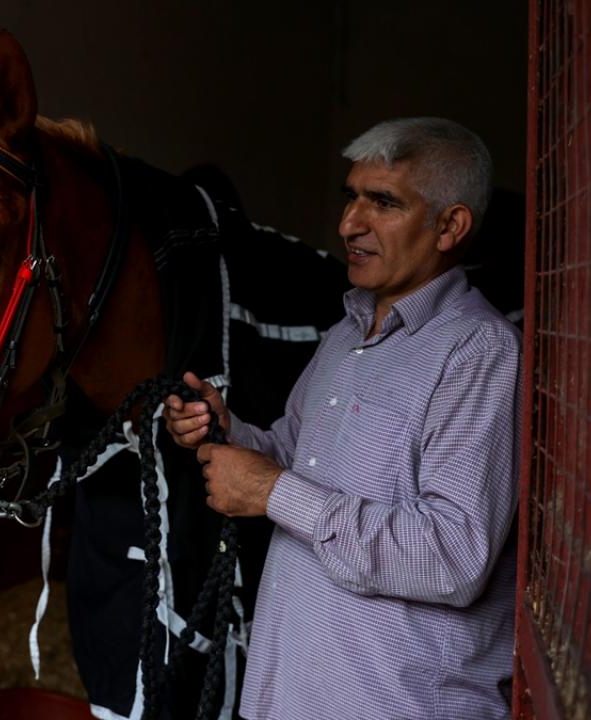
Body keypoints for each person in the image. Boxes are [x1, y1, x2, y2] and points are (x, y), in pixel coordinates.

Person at [165, 117, 520, 719]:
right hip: (292, 695)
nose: (349, 224)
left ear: (450, 226)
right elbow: (291, 453)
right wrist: (229, 432)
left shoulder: (478, 352)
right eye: (351, 197)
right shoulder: (345, 336)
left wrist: (273, 492)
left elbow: (452, 557)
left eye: (383, 202)